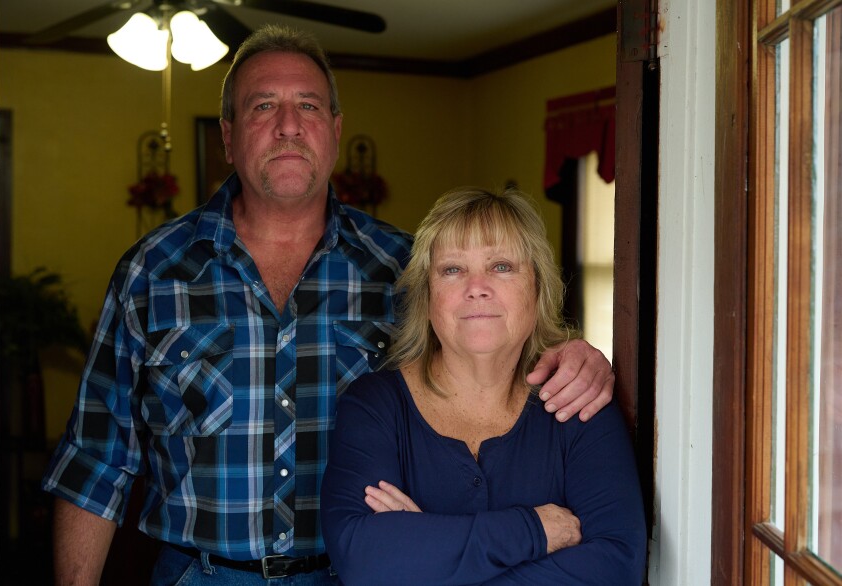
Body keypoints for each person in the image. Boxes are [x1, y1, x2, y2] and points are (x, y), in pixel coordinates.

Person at [42, 25, 616, 586]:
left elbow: (494, 350)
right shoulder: (152, 272)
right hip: (200, 573)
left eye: (309, 107)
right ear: (228, 133)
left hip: (363, 570)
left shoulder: (405, 267)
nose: (289, 126)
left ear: (336, 130)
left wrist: (573, 355)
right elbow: (96, 461)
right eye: (264, 106)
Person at [321, 187, 645, 585]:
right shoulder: (374, 406)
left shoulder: (578, 401)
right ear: (427, 297)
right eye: (453, 269)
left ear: (538, 289)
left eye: (502, 266)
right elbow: (365, 560)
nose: (477, 286)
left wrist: (428, 557)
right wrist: (532, 531)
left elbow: (616, 566)